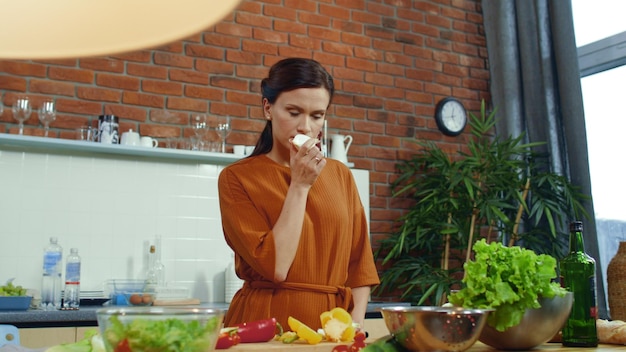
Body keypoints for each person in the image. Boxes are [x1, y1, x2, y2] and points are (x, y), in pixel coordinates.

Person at [218, 58, 380, 331]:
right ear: (268, 108)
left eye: (317, 115)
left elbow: (360, 263)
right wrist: (300, 185)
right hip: (265, 324)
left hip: (332, 325)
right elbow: (276, 267)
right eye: (293, 112)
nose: (306, 126)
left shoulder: (340, 175)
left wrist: (354, 325)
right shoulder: (237, 178)